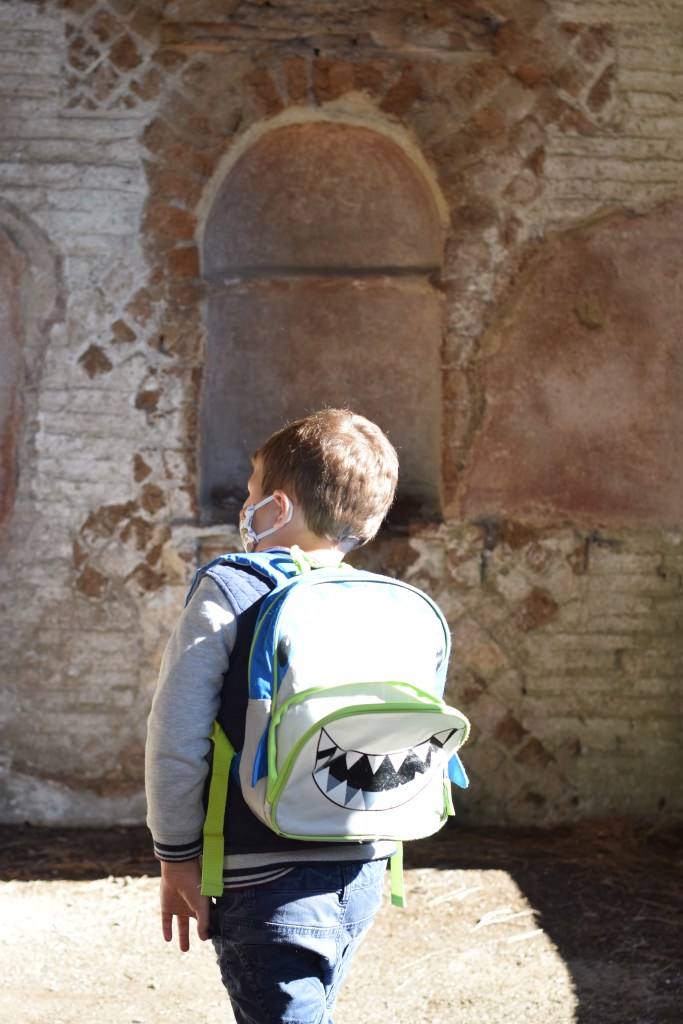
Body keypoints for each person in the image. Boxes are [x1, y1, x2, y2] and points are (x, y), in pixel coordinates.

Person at [145, 408, 400, 1024]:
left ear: (278, 508)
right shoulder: (376, 601)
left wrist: (176, 855)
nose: (245, 506)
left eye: (252, 493)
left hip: (262, 878)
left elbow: (177, 734)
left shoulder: (232, 589)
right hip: (364, 865)